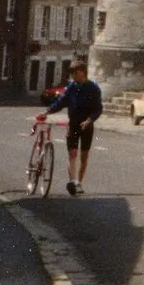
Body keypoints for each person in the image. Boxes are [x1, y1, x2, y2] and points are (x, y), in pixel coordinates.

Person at [44, 60, 103, 195]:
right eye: (71, 73)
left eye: (75, 73)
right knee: (72, 153)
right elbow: (61, 102)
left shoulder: (93, 88)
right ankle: (72, 181)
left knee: (84, 155)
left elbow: (98, 109)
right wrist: (48, 111)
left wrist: (89, 120)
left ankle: (79, 182)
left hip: (87, 125)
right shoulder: (71, 87)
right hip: (74, 124)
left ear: (82, 72)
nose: (73, 76)